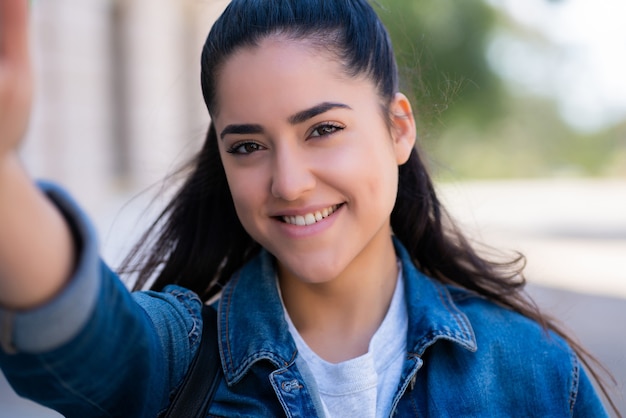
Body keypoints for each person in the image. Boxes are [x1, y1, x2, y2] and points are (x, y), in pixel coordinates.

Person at [0, 0, 618, 416]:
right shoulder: (181, 362)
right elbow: (86, 338)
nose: (290, 183)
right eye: (248, 146)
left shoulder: (531, 372)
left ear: (398, 129)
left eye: (322, 129)